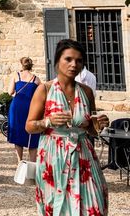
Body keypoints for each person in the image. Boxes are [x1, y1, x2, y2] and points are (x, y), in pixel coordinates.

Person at [26, 39, 109, 216]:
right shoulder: (45, 89)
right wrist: (47, 121)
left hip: (84, 155)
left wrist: (97, 125)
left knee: (94, 206)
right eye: (68, 59)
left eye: (79, 61)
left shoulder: (86, 91)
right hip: (53, 156)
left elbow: (91, 130)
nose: (74, 64)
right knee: (58, 208)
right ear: (57, 61)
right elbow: (29, 126)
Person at [7, 56, 42, 162]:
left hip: (17, 106)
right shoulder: (36, 79)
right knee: (32, 133)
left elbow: (10, 92)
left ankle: (20, 162)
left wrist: (15, 94)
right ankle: (32, 163)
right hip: (30, 107)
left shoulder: (16, 75)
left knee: (18, 133)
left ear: (21, 65)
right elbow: (42, 94)